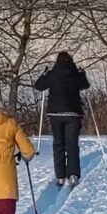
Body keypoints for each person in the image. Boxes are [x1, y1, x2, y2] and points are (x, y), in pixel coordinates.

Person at [34, 51, 90, 187]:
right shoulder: (76, 74)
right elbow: (85, 85)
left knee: (58, 144)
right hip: (73, 113)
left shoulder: (52, 75)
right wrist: (83, 74)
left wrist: (44, 73)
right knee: (72, 144)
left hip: (55, 114)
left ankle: (60, 176)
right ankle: (73, 174)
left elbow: (39, 85)